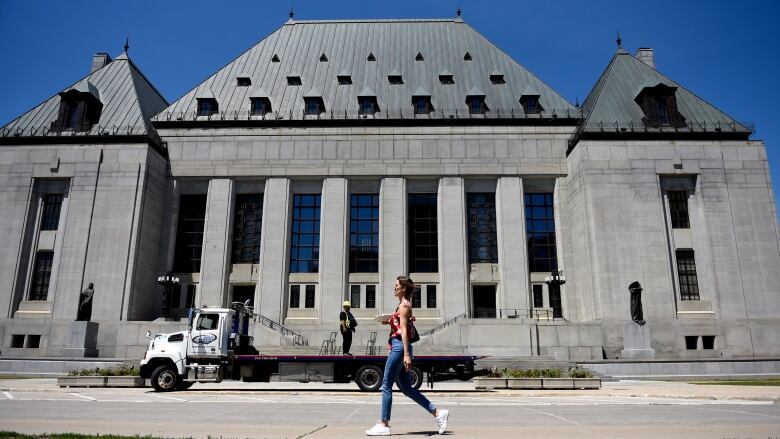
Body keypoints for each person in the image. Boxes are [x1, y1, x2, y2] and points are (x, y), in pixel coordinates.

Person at [365, 275, 449, 436]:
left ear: (403, 288)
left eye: (396, 285)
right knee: (406, 389)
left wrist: (406, 355)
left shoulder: (404, 306)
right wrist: (388, 321)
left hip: (399, 348)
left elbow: (404, 331)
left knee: (386, 385)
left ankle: (384, 424)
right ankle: (438, 413)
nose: (394, 287)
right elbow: (401, 325)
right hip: (399, 347)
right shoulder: (402, 306)